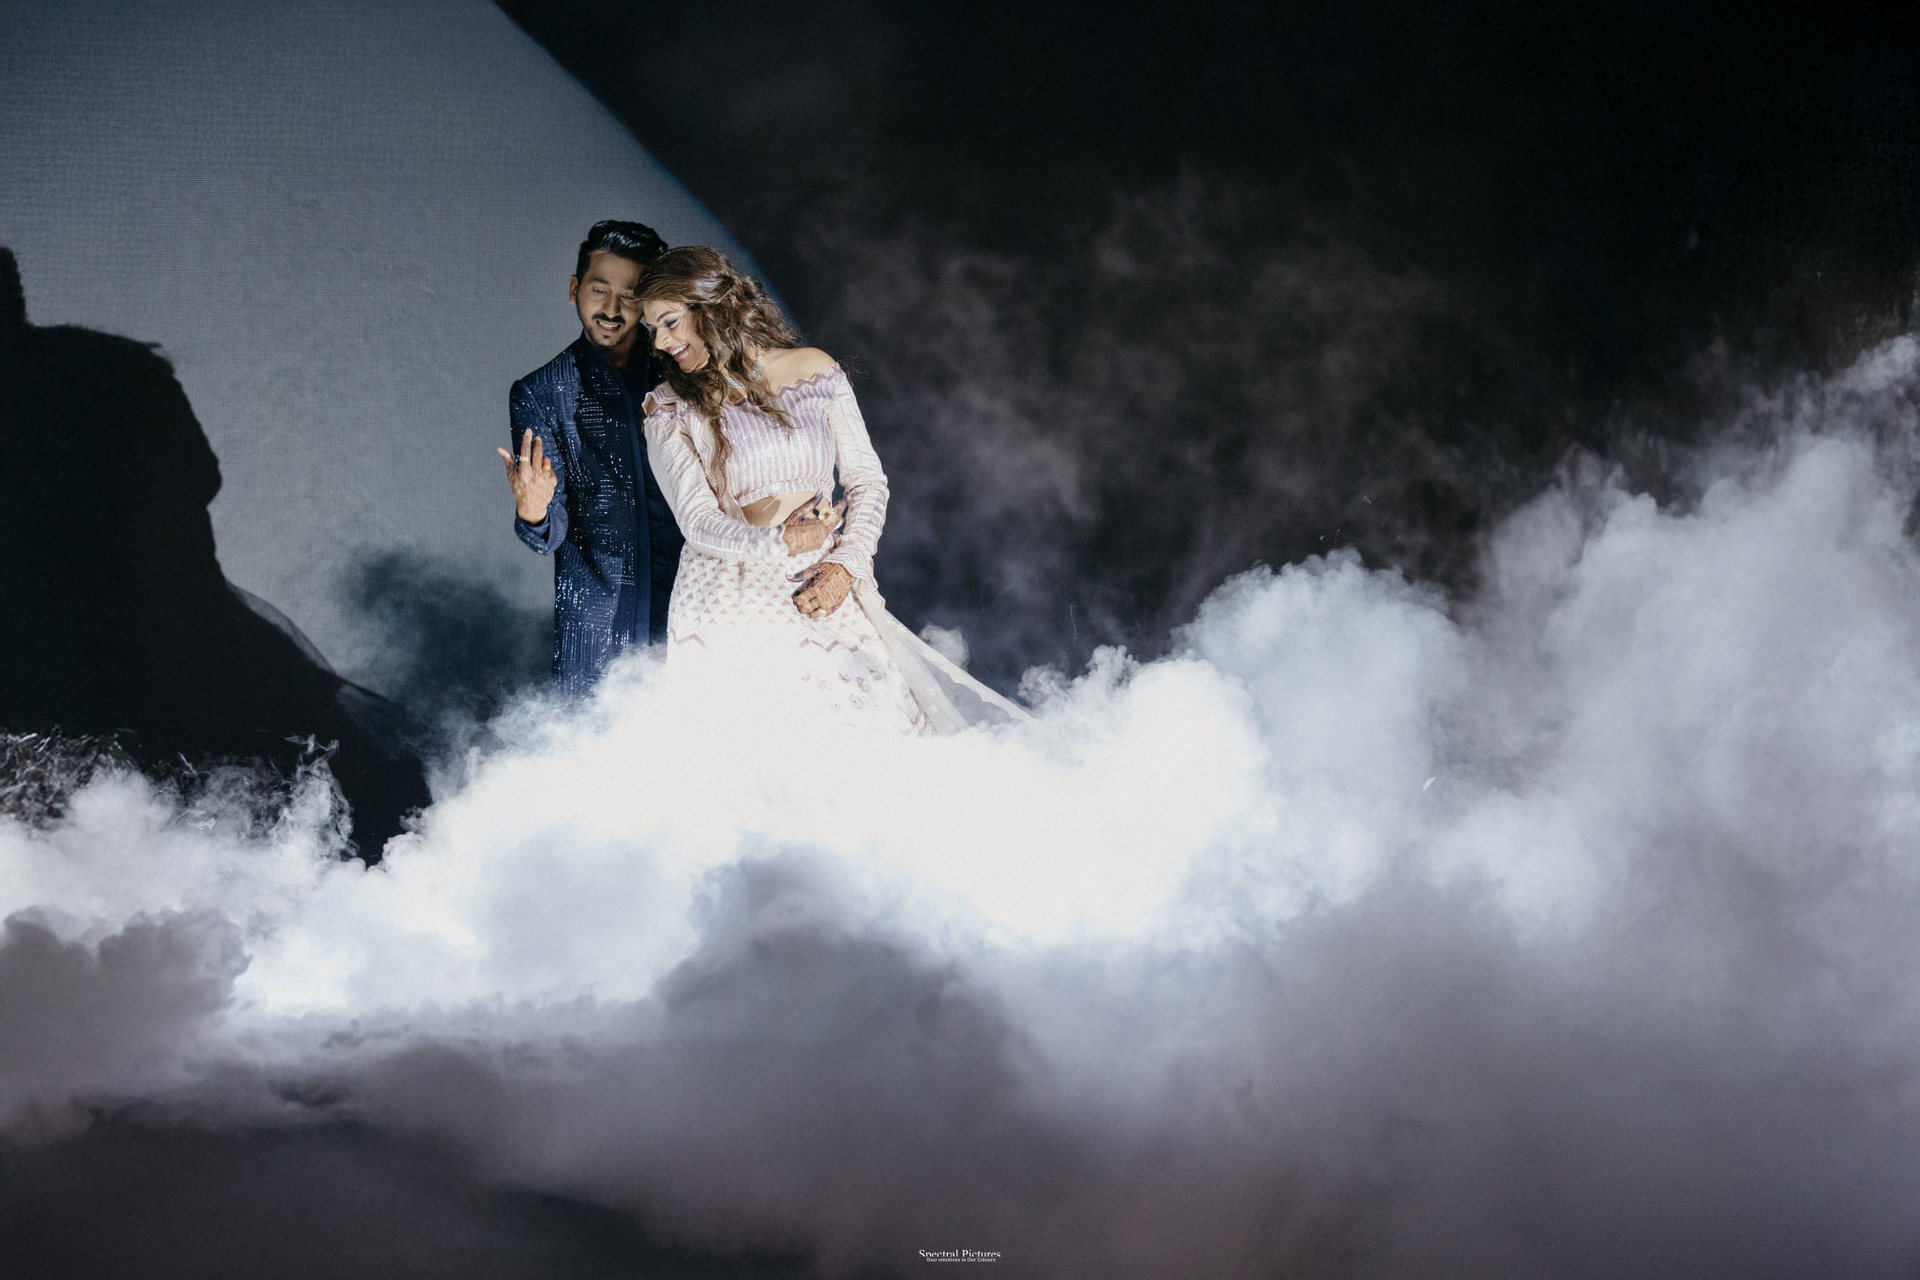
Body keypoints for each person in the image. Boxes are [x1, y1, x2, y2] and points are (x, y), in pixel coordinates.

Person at [636, 247, 1024, 733]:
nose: (660, 342)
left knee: (873, 737)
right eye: (653, 329)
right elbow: (697, 522)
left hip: (824, 584)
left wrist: (847, 562)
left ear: (714, 306)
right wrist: (777, 542)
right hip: (730, 594)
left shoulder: (813, 370)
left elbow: (867, 481)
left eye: (670, 322)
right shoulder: (669, 408)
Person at [498, 220, 686, 697]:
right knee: (597, 742)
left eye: (630, 295)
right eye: (600, 290)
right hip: (597, 629)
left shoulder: (682, 373)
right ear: (574, 289)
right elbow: (549, 533)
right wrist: (533, 509)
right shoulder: (541, 392)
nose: (612, 310)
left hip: (691, 601)